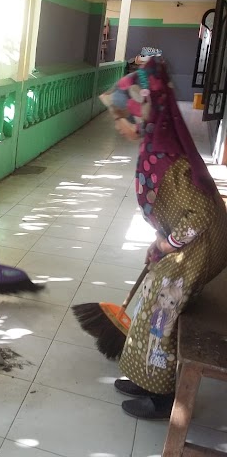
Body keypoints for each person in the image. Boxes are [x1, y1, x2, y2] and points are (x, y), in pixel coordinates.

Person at [99, 54, 227, 420]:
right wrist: (160, 244)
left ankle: (163, 395)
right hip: (190, 241)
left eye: (121, 118)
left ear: (141, 114)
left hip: (199, 247)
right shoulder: (157, 145)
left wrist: (167, 245)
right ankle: (145, 378)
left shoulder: (167, 158)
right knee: (151, 301)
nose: (118, 126)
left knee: (161, 313)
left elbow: (200, 215)